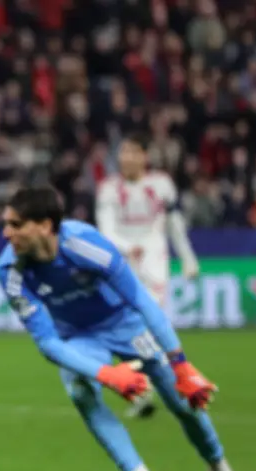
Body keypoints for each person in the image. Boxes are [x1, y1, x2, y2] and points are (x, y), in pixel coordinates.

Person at [0, 185, 256, 471]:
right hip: (77, 336)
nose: (6, 234)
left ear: (45, 225)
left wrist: (181, 364)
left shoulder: (84, 244)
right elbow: (48, 344)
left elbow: (140, 299)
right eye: (6, 224)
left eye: (16, 224)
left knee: (183, 400)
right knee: (80, 390)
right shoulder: (10, 270)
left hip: (124, 323)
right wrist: (108, 374)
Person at [96, 133, 200, 419]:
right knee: (123, 328)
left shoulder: (162, 184)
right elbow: (106, 229)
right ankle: (144, 388)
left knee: (150, 325)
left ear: (145, 156)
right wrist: (127, 247)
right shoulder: (108, 189)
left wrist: (188, 257)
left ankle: (154, 388)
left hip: (154, 260)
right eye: (123, 152)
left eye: (133, 151)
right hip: (121, 262)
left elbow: (174, 224)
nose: (127, 157)